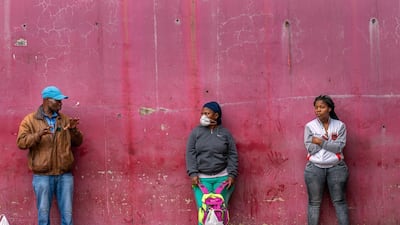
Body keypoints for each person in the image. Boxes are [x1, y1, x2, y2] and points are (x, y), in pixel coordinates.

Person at [17, 86, 83, 225]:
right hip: (42, 176)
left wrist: (73, 130)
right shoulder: (30, 120)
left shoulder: (65, 119)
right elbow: (21, 142)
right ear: (47, 100)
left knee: (67, 215)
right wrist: (38, 135)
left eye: (61, 100)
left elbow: (78, 142)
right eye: (57, 100)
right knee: (43, 215)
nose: (61, 103)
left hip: (64, 175)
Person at [186, 101, 239, 225]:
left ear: (216, 115)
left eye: (207, 113)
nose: (203, 116)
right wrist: (193, 173)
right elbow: (190, 153)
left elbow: (232, 154)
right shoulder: (196, 133)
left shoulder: (225, 133)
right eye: (202, 113)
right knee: (204, 212)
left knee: (218, 212)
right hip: (201, 180)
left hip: (223, 179)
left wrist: (232, 175)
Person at [303, 95, 349, 225]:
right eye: (316, 107)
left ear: (329, 109)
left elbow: (339, 147)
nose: (318, 110)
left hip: (337, 168)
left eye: (322, 107)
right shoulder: (310, 126)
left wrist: (320, 141)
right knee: (314, 203)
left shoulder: (339, 126)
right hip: (314, 169)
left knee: (339, 201)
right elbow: (310, 148)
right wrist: (326, 142)